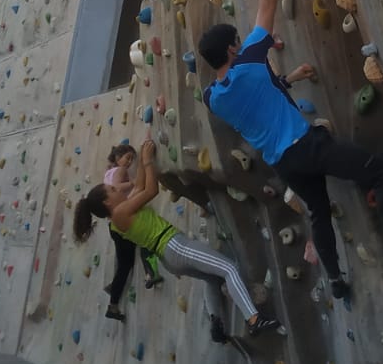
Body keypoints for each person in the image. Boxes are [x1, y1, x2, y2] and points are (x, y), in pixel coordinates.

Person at [198, 0, 383, 302]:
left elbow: (259, 100)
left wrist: (290, 78)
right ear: (231, 49)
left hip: (283, 164)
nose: (241, 43)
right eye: (237, 41)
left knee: (319, 212)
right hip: (306, 146)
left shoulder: (212, 98)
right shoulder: (249, 60)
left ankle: (335, 278)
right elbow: (267, 4)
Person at [75, 136, 282, 343]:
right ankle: (253, 319)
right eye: (112, 190)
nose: (118, 188)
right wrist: (147, 162)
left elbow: (138, 186)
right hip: (173, 246)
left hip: (169, 256)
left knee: (212, 278)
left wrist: (143, 152)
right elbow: (150, 190)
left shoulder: (119, 216)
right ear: (107, 202)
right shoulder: (119, 214)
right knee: (229, 268)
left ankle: (216, 321)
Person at [102, 142, 162, 323]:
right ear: (118, 157)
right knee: (143, 242)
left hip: (114, 225)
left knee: (124, 262)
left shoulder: (108, 172)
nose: (129, 163)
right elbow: (118, 188)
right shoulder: (120, 171)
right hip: (123, 219)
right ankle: (149, 274)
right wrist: (133, 182)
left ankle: (113, 297)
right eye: (127, 158)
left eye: (131, 160)